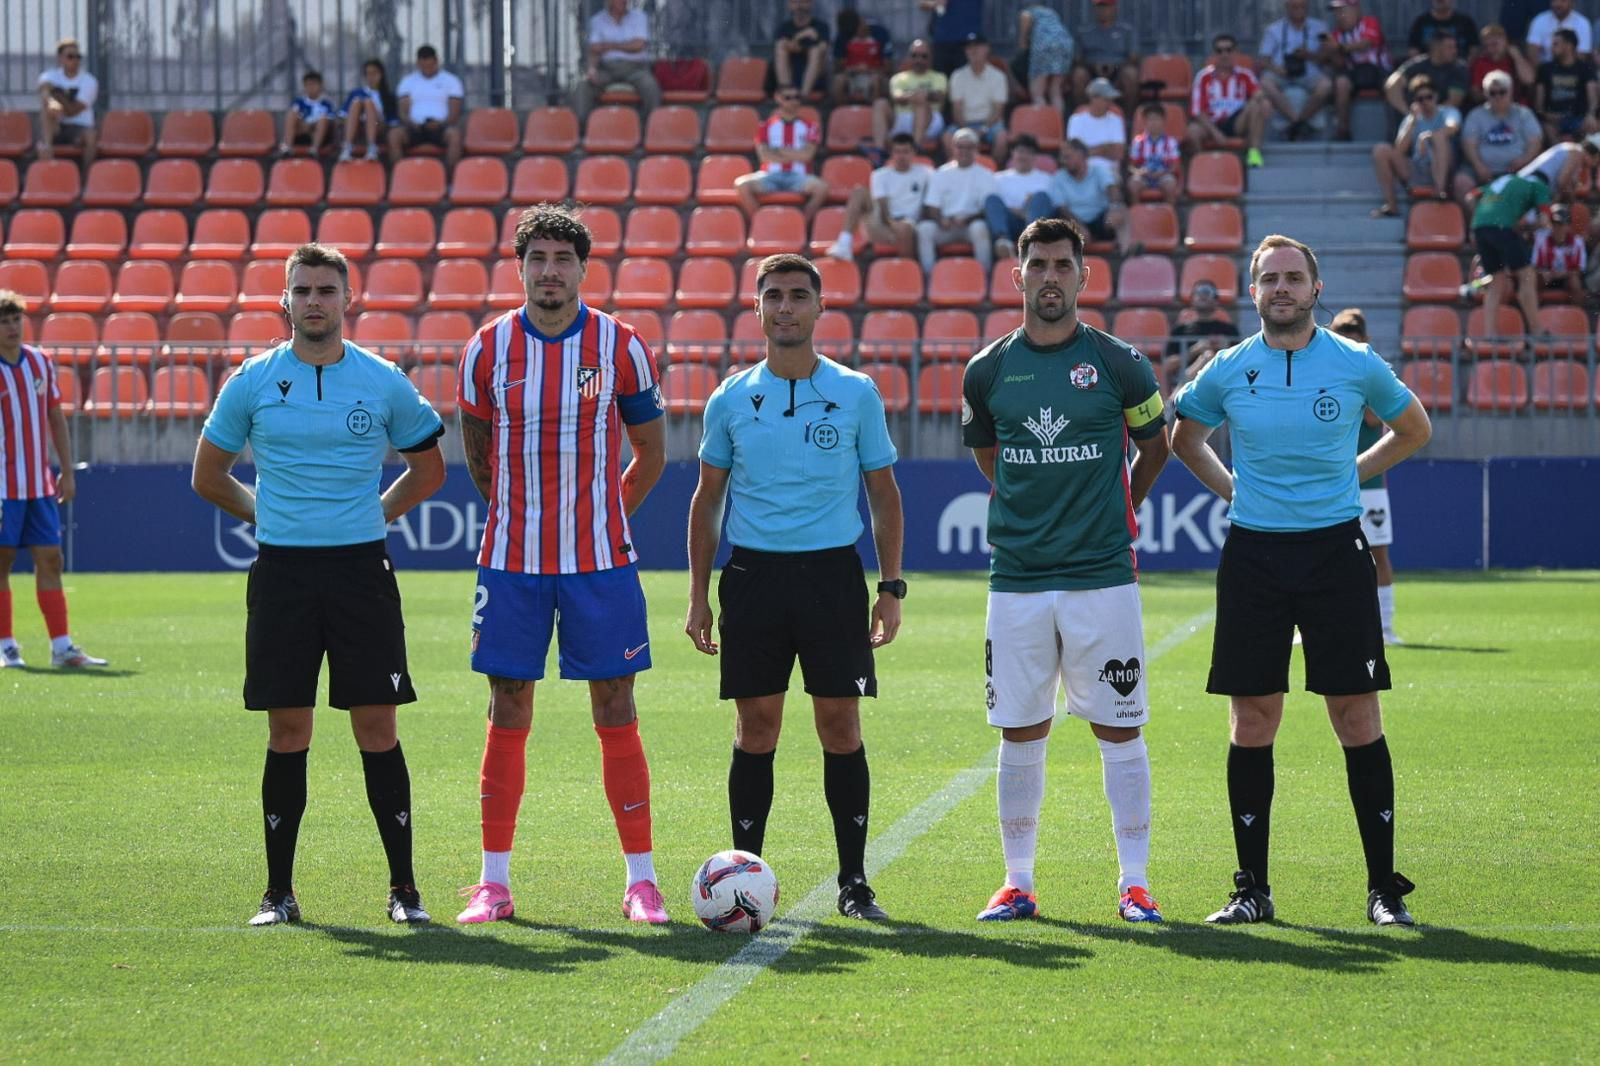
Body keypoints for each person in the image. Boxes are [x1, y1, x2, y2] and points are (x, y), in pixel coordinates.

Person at [1170, 234, 1434, 928]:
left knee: (1356, 716)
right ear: (1252, 293)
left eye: (1293, 279)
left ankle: (1384, 889)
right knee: (1253, 718)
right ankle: (1251, 889)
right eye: (1269, 280)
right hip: (1254, 555)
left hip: (1335, 556)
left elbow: (1413, 429)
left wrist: (1351, 475)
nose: (1281, 289)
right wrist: (1233, 491)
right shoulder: (1228, 368)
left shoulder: (1354, 362)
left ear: (1316, 290)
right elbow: (1184, 437)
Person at [190, 243, 447, 927]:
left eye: (326, 290)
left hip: (362, 571)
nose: (313, 301)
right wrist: (264, 513)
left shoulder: (384, 380)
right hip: (283, 574)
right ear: (285, 300)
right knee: (287, 730)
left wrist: (375, 515)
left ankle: (405, 890)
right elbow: (208, 474)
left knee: (377, 726)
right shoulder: (251, 379)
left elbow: (429, 470)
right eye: (301, 289)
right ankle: (278, 893)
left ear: (347, 299)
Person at [453, 205, 670, 927]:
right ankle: (493, 883)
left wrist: (603, 517)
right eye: (537, 258)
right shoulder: (487, 349)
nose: (549, 272)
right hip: (512, 563)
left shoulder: (622, 345)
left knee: (616, 706)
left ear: (583, 268)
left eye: (562, 259)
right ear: (521, 268)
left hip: (601, 564)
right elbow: (480, 458)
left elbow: (652, 452)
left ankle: (641, 882)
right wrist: (525, 515)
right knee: (507, 705)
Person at [958, 216, 1170, 924]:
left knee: (1119, 726)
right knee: (1020, 730)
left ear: (1085, 276)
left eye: (1062, 265)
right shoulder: (986, 370)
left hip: (1102, 576)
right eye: (1037, 265)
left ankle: (1134, 884)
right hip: (1016, 578)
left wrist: (1120, 507)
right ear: (1017, 276)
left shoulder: (1119, 363)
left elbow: (1155, 444)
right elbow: (990, 457)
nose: (1050, 277)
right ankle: (1018, 882)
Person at [685, 252, 905, 923]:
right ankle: (742, 880)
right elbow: (705, 499)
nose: (785, 307)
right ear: (756, 308)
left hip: (833, 577)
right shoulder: (729, 398)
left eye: (798, 295)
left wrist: (890, 586)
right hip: (753, 577)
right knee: (757, 728)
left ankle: (855, 881)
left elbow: (884, 495)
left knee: (840, 726)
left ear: (819, 307)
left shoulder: (856, 392)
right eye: (773, 295)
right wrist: (699, 596)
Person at [0, 291, 106, 672]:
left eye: (16, 320)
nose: (12, 327)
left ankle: (61, 646)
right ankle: (7, 645)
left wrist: (65, 468)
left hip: (39, 484)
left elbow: (55, 418)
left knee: (51, 559)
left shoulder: (40, 364)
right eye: (4, 321)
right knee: (3, 561)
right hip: (3, 488)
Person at [1327, 309, 1404, 645]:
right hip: (1329, 482)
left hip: (1367, 481)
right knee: (1320, 554)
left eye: (1356, 339)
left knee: (1378, 554)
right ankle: (1315, 624)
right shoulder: (1324, 372)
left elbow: (1375, 419)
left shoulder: (1374, 371)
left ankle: (1385, 626)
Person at [1466, 169, 1551, 336]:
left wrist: (1482, 217)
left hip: (1480, 228)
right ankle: (1537, 330)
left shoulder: (1505, 181)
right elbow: (1544, 221)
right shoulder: (1538, 185)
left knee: (1496, 280)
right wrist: (1528, 228)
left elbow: (1470, 197)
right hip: (1502, 228)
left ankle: (1490, 334)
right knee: (1527, 275)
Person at [828, 132, 934, 261]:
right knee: (859, 192)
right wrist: (892, 223)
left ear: (914, 152)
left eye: (905, 152)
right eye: (897, 152)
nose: (901, 156)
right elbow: (882, 207)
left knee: (905, 227)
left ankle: (908, 272)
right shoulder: (879, 175)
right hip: (884, 223)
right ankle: (844, 243)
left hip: (912, 226)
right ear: (891, 153)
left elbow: (931, 202)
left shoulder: (927, 173)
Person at [1371, 76, 1461, 216]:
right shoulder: (1412, 118)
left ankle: (1439, 190)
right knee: (1380, 150)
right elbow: (1399, 149)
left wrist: (1427, 136)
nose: (1425, 101)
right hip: (1418, 168)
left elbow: (1453, 127)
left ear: (1436, 96)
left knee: (1439, 138)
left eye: (1429, 97)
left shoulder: (1448, 112)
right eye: (1420, 99)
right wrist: (1413, 120)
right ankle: (1391, 205)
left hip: (1444, 168)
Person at [736, 88, 830, 221]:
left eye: (797, 97)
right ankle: (761, 223)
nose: (793, 101)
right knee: (742, 185)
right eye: (788, 98)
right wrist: (797, 153)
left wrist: (777, 151)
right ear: (778, 98)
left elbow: (807, 156)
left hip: (800, 176)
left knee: (822, 188)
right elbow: (764, 157)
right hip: (770, 175)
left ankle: (802, 224)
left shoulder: (811, 126)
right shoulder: (765, 126)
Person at [1455, 70, 1544, 204]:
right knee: (1461, 182)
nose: (1498, 97)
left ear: (1510, 91)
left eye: (1502, 92)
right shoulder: (1475, 115)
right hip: (1483, 170)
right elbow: (1469, 144)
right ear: (1485, 94)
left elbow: (1535, 142)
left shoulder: (1524, 114)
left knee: (1537, 183)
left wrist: (1524, 160)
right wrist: (1479, 166)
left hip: (1518, 171)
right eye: (1492, 93)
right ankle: (1477, 224)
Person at [918, 127, 999, 273]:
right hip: (946, 226)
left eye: (969, 147)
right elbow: (932, 206)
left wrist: (967, 219)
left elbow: (988, 209)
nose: (964, 151)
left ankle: (984, 275)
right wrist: (941, 220)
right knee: (925, 229)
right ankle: (928, 276)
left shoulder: (986, 175)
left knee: (980, 228)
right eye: (960, 147)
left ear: (976, 149)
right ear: (953, 148)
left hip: (970, 225)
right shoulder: (940, 173)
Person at [1187, 34, 1271, 167]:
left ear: (1235, 52)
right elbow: (1197, 112)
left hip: (1236, 122)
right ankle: (1203, 168)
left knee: (1258, 104)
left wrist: (1263, 101)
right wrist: (1215, 132)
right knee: (1192, 131)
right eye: (1219, 51)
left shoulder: (1245, 75)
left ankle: (1254, 154)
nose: (1224, 54)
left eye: (1228, 50)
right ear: (1214, 54)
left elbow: (1258, 93)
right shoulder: (1203, 77)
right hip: (1211, 123)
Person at [572, 0, 662, 122]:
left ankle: (650, 128)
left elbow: (638, 45)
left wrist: (609, 46)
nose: (624, 2)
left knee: (651, 87)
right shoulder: (597, 21)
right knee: (583, 87)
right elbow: (594, 50)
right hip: (607, 68)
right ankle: (583, 131)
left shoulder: (639, 17)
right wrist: (592, 69)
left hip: (635, 68)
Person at [1258, 0, 1334, 142]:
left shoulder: (1320, 28)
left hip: (1309, 73)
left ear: (1307, 7)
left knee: (1326, 85)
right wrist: (1277, 69)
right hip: (1282, 73)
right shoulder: (1273, 30)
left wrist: (1309, 55)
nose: (1298, 10)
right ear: (1287, 8)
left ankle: (1302, 120)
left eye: (1302, 6)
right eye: (1294, 6)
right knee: (1265, 82)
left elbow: (1328, 55)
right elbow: (1263, 59)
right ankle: (1296, 120)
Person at [1049, 138, 1132, 255]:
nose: (1063, 161)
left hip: (1101, 222)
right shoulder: (1059, 177)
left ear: (1081, 156)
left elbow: (1112, 189)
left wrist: (1114, 206)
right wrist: (1078, 225)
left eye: (1068, 157)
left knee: (1119, 213)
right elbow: (1061, 209)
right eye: (1063, 157)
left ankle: (1126, 252)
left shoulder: (1098, 170)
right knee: (1077, 235)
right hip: (1074, 221)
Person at [388, 45, 465, 169]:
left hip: (441, 128)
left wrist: (440, 124)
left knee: (455, 135)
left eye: (430, 65)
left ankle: (450, 180)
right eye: (423, 65)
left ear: (436, 61)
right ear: (418, 63)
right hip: (415, 128)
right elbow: (403, 112)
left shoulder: (451, 81)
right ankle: (400, 178)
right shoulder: (408, 81)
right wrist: (412, 124)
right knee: (394, 135)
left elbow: (454, 114)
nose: (427, 69)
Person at [1325, 0, 1392, 142]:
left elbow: (1366, 44)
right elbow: (1339, 63)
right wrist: (1331, 52)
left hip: (1377, 70)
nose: (1340, 16)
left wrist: (1340, 48)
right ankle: (1343, 130)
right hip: (1354, 72)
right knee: (1341, 83)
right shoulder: (1336, 35)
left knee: (1391, 85)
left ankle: (1393, 131)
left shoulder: (1370, 23)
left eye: (1343, 11)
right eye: (1337, 12)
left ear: (1356, 10)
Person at [984, 133, 1056, 261]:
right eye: (1020, 151)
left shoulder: (1046, 179)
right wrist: (1022, 211)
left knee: (1041, 197)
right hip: (1009, 223)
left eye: (1028, 152)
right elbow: (998, 209)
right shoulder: (998, 178)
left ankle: (1031, 241)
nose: (1023, 156)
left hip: (1036, 224)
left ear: (1035, 157)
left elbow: (1048, 208)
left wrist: (1029, 210)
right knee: (991, 199)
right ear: (1013, 153)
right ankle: (1003, 240)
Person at [945, 33, 1011, 162]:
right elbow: (956, 110)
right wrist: (967, 130)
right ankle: (957, 169)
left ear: (987, 49)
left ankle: (994, 172)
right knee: (947, 136)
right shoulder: (957, 76)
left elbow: (998, 111)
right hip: (964, 124)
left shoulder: (998, 76)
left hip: (990, 124)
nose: (973, 50)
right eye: (969, 47)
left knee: (1002, 137)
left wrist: (982, 130)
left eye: (977, 46)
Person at [1163, 278, 1240, 387]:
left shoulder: (1229, 330)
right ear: (1192, 300)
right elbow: (1168, 365)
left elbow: (1240, 364)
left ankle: (1175, 399)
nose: (1203, 295)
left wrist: (1225, 349)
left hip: (1218, 383)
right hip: (1189, 381)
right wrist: (1194, 350)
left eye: (1207, 292)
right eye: (1198, 292)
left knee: (1209, 356)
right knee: (1207, 356)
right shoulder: (1180, 330)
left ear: (1216, 300)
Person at [872, 39, 947, 151]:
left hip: (930, 122)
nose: (919, 59)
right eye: (914, 55)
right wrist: (917, 95)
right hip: (901, 120)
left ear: (930, 58)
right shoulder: (898, 78)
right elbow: (897, 97)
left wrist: (918, 96)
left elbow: (939, 96)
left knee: (921, 100)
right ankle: (879, 151)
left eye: (923, 56)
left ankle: (915, 149)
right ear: (909, 57)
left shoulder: (939, 77)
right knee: (880, 103)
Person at [37, 38, 98, 166]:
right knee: (47, 106)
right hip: (56, 126)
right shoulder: (51, 75)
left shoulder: (89, 81)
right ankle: (47, 150)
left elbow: (72, 111)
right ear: (60, 58)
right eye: (70, 56)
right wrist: (52, 102)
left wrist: (58, 95)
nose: (75, 60)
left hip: (79, 127)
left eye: (78, 56)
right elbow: (44, 88)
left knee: (91, 136)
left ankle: (86, 179)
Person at [1534, 28, 1599, 141]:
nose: (1551, 47)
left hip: (1578, 118)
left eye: (1556, 44)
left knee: (1593, 125)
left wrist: (1591, 115)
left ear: (1569, 46)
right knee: (1545, 129)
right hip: (1552, 121)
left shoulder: (1585, 68)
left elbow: (1593, 98)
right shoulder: (1545, 69)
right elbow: (1538, 105)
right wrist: (1545, 115)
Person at [1072, 0, 1140, 107]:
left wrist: (1115, 66)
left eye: (1106, 7)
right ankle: (1084, 113)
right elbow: (1077, 58)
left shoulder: (1126, 30)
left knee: (1131, 74)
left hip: (1118, 71)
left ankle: (1128, 118)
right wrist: (1094, 66)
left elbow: (1134, 57)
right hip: (1092, 71)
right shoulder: (1084, 31)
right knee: (1078, 74)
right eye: (1099, 7)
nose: (1102, 11)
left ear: (1115, 8)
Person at [1386, 31, 1470, 115]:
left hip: (1444, 119)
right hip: (1415, 117)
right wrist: (1407, 112)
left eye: (1455, 47)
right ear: (1436, 48)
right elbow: (1392, 84)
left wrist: (1429, 119)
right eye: (1449, 47)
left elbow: (1453, 102)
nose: (1454, 51)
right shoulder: (1418, 64)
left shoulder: (1459, 68)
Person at [1016, 4, 1075, 112]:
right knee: (1055, 90)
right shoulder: (1050, 12)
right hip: (1065, 44)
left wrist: (1023, 40)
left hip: (1044, 45)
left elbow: (1025, 17)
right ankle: (1058, 124)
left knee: (1037, 92)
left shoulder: (1028, 11)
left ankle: (1042, 125)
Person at [832, 7, 895, 106]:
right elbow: (837, 67)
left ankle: (873, 113)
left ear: (861, 22)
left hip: (874, 75)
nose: (855, 34)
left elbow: (888, 67)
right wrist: (852, 69)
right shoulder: (843, 35)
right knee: (838, 81)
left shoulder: (880, 33)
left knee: (876, 81)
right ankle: (842, 114)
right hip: (851, 76)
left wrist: (869, 70)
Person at [339, 59, 399, 162]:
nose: (371, 77)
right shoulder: (356, 92)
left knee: (368, 103)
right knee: (357, 102)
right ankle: (347, 147)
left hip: (377, 127)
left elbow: (392, 122)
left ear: (381, 75)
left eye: (374, 73)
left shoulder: (388, 96)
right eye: (368, 74)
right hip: (357, 127)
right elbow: (343, 117)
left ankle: (372, 147)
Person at [1468, 24, 1536, 107]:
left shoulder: (1514, 58)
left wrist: (1517, 56)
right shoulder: (1480, 62)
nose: (1490, 49)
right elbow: (1475, 94)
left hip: (1517, 107)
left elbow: (1529, 80)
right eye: (1487, 46)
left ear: (1505, 42)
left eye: (1494, 44)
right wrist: (1497, 96)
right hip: (1490, 108)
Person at [774, 0, 831, 99]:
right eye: (795, 2)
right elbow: (783, 44)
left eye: (803, 2)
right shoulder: (784, 27)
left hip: (816, 74)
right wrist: (803, 36)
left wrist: (799, 47)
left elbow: (823, 47)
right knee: (780, 48)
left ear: (811, 4)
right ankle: (787, 92)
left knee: (815, 52)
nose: (799, 6)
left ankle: (803, 96)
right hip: (792, 71)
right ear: (789, 5)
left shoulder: (821, 26)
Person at [1532, 201, 1587, 303]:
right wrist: (1544, 273)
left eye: (1562, 224)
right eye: (1555, 224)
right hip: (1547, 277)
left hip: (1566, 278)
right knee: (1536, 279)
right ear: (1551, 225)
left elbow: (1580, 270)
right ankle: (1535, 313)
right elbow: (1535, 266)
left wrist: (1563, 274)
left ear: (1568, 226)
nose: (1558, 228)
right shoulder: (1541, 239)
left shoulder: (1578, 242)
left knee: (1575, 281)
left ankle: (1578, 313)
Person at [1127, 104, 1182, 205]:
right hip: (1144, 176)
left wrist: (1163, 172)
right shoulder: (1138, 142)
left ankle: (1169, 214)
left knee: (1170, 184)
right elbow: (1131, 167)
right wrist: (1140, 172)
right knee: (1133, 184)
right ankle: (1136, 215)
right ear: (1145, 122)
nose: (1153, 123)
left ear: (1163, 121)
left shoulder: (1171, 142)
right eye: (1150, 119)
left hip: (1164, 175)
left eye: (1157, 119)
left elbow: (1175, 167)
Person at [1068, 77, 1127, 164]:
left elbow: (1118, 153)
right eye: (1106, 99)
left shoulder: (1116, 121)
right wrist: (1104, 149)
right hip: (1083, 173)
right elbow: (1074, 154)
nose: (1110, 103)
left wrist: (1088, 151)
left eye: (1111, 100)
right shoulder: (1076, 120)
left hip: (1109, 174)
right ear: (1093, 98)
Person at [1519, 134, 1600, 196]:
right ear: (1596, 155)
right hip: (1529, 185)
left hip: (1527, 185)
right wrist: (1571, 199)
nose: (1596, 164)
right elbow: (1562, 182)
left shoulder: (1574, 151)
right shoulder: (1576, 152)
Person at [279, 70, 335, 157]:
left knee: (323, 119)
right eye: (308, 85)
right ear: (304, 87)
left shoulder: (326, 104)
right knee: (291, 114)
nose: (311, 87)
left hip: (316, 134)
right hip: (300, 133)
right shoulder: (298, 102)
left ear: (321, 86)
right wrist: (304, 125)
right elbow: (295, 119)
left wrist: (311, 125)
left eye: (314, 84)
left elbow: (330, 123)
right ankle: (287, 149)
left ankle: (314, 150)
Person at [921, 0, 985, 75]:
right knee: (942, 80)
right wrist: (935, 3)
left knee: (966, 80)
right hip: (942, 42)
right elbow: (922, 4)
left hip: (969, 43)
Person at [1525, 0, 1592, 62]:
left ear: (1572, 2)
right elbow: (1532, 52)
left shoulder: (1583, 23)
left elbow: (1582, 55)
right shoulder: (1539, 20)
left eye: (1563, 1)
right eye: (1554, 0)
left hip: (1572, 71)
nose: (1557, 4)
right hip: (1544, 69)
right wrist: (1542, 72)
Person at [1407, 0, 1479, 57]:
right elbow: (1413, 49)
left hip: (1458, 70)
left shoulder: (1465, 22)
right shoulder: (1421, 22)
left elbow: (1474, 49)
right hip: (1427, 70)